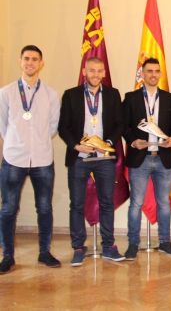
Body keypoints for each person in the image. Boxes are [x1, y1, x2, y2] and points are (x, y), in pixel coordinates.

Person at [0, 45, 61, 274]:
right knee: (8, 209)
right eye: (26, 58)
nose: (30, 63)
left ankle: (44, 252)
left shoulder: (51, 95)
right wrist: (18, 143)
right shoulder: (5, 93)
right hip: (13, 158)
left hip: (43, 159)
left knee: (44, 208)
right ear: (20, 61)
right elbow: (3, 126)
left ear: (41, 63)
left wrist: (36, 143)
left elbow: (53, 126)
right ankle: (7, 255)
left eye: (35, 59)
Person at [58, 57, 125, 265]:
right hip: (80, 156)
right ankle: (78, 247)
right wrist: (76, 145)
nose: (95, 74)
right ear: (85, 72)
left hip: (104, 158)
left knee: (107, 202)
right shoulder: (71, 95)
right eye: (91, 71)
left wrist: (108, 142)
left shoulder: (113, 95)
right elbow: (63, 127)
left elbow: (119, 124)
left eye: (99, 71)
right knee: (76, 204)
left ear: (104, 73)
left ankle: (109, 246)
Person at [122, 58, 171, 260]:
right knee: (136, 203)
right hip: (140, 158)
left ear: (160, 74)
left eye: (156, 71)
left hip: (162, 158)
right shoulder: (130, 98)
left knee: (163, 202)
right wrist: (132, 141)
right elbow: (124, 126)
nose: (153, 75)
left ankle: (165, 242)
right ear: (142, 74)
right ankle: (132, 244)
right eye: (149, 71)